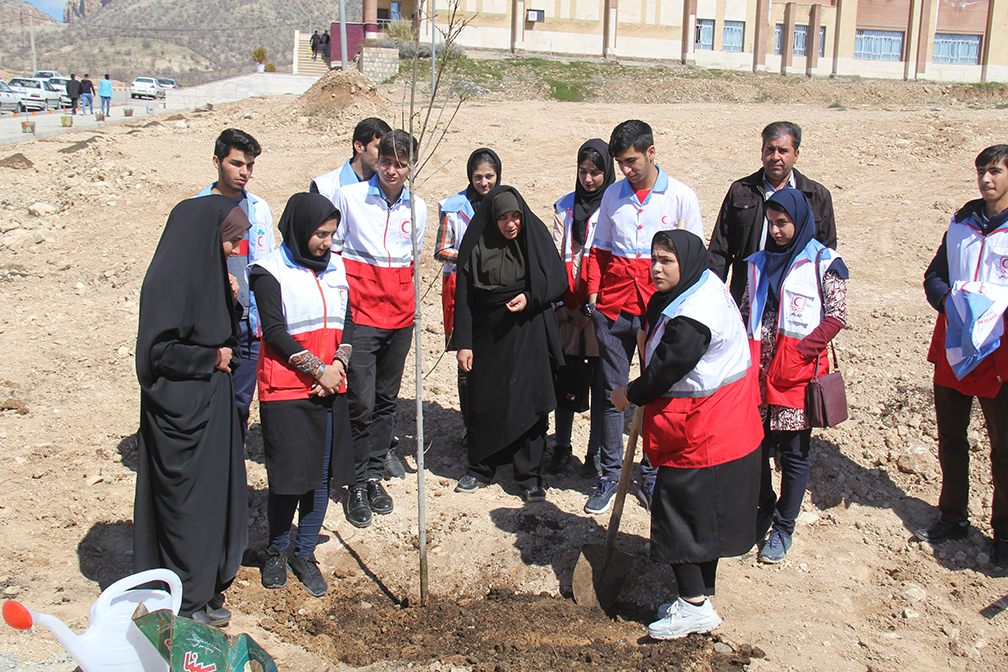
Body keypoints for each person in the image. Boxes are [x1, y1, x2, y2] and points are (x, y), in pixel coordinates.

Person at [611, 230, 762, 639]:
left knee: (677, 512)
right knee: (703, 518)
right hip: (720, 423)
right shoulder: (702, 282)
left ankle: (693, 606)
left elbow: (663, 373)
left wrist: (628, 394)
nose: (655, 269)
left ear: (686, 263)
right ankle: (700, 596)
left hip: (705, 428)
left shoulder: (695, 316)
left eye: (666, 261)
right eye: (654, 259)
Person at [134, 195, 251, 626]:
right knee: (187, 507)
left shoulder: (210, 275)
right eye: (230, 240)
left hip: (211, 406)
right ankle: (183, 601)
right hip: (180, 413)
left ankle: (204, 588)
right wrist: (211, 359)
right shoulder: (168, 281)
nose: (235, 249)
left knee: (214, 500)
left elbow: (214, 328)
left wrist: (231, 305)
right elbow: (158, 352)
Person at [583, 119, 704, 515]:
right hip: (615, 307)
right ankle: (610, 475)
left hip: (660, 311)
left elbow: (694, 259)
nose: (626, 169)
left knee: (655, 393)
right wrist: (595, 297)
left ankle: (651, 477)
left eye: (631, 160)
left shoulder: (681, 197)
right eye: (620, 162)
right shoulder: (613, 196)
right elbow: (599, 250)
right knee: (612, 392)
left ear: (651, 152)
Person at [249, 193, 355, 597]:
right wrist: (318, 370)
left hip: (330, 384)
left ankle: (304, 552)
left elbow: (348, 320)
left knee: (321, 476)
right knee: (291, 478)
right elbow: (274, 331)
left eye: (331, 234)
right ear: (298, 229)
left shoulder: (337, 267)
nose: (327, 243)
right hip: (287, 388)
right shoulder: (268, 270)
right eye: (320, 235)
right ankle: (276, 550)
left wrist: (338, 368)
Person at [741, 187, 848, 564]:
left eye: (783, 223)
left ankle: (784, 526)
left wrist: (803, 351)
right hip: (758, 371)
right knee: (753, 448)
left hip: (795, 372)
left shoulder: (823, 261)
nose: (776, 231)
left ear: (800, 221)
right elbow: (744, 310)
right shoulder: (756, 262)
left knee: (794, 452)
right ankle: (764, 507)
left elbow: (837, 315)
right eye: (771, 224)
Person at [917, 145, 1008, 567]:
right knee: (952, 439)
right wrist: (949, 302)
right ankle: (953, 515)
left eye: (995, 172)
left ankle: (1004, 534)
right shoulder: (961, 223)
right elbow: (934, 274)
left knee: (1002, 448)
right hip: (954, 348)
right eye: (981, 172)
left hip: (999, 355)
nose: (986, 180)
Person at [335, 129, 426, 528]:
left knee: (387, 400)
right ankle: (353, 482)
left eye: (401, 163)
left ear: (410, 166)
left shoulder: (417, 207)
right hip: (362, 315)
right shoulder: (351, 198)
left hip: (400, 317)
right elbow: (336, 251)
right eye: (386, 161)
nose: (392, 170)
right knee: (361, 402)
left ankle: (374, 476)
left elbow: (412, 258)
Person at [453, 186, 568, 501]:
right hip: (486, 335)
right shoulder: (476, 243)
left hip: (527, 331)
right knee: (484, 399)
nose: (511, 223)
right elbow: (463, 298)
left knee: (529, 401)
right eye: (503, 217)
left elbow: (557, 279)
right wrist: (464, 343)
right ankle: (480, 467)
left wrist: (531, 298)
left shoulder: (534, 235)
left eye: (515, 215)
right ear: (492, 217)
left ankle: (529, 475)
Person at [197, 129, 275, 440]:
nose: (244, 172)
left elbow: (267, 264)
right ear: (217, 161)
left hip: (251, 323)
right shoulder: (197, 208)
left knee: (241, 402)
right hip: (213, 324)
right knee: (211, 400)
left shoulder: (259, 209)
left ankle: (232, 467)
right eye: (236, 163)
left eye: (250, 165)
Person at [708, 121, 837, 305]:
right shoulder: (741, 191)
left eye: (783, 151)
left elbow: (826, 253)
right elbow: (720, 251)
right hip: (749, 295)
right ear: (762, 153)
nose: (775, 157)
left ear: (796, 155)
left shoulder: (816, 196)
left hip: (796, 299)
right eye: (770, 150)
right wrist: (711, 294)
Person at [547, 138, 615, 479]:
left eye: (596, 172)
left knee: (602, 383)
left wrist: (591, 308)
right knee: (566, 380)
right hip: (567, 309)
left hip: (600, 309)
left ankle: (596, 451)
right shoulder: (564, 207)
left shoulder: (616, 206)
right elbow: (557, 258)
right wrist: (563, 305)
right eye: (583, 171)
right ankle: (561, 446)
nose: (589, 179)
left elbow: (614, 261)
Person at [434, 147, 502, 446]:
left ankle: (495, 420)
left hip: (497, 291)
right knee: (466, 357)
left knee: (496, 356)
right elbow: (441, 249)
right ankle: (470, 424)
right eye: (478, 177)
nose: (484, 183)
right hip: (460, 290)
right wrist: (472, 258)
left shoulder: (505, 203)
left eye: (489, 176)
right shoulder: (454, 206)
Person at [311, 117, 393, 207]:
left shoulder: (391, 187)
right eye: (379, 148)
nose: (384, 156)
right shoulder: (324, 188)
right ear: (359, 146)